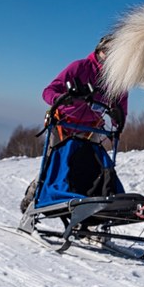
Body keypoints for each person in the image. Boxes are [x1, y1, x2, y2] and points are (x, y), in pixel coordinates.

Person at [19, 36, 129, 213]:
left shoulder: (118, 80)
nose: (109, 57)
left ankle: (85, 213)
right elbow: (48, 91)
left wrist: (119, 119)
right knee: (53, 165)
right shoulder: (80, 67)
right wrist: (62, 99)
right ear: (99, 51)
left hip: (92, 128)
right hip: (64, 124)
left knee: (88, 170)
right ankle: (33, 196)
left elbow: (121, 105)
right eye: (106, 52)